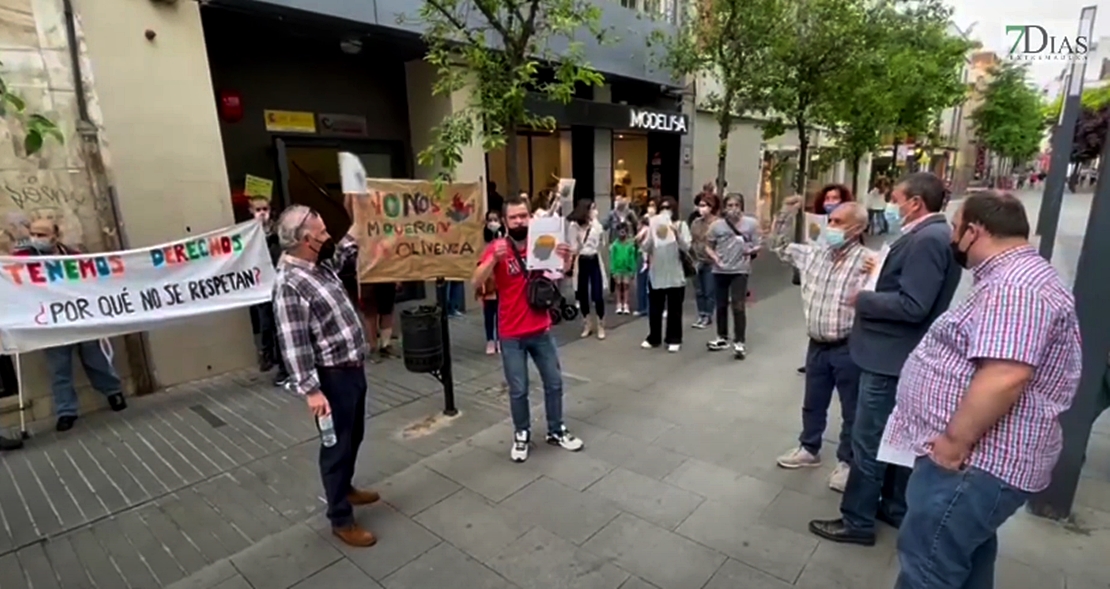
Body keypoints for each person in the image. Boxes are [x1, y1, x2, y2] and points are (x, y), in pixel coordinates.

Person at [887, 191, 1081, 588]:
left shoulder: (1016, 287)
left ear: (974, 232)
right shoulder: (1016, 278)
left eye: (956, 231)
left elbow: (1005, 375)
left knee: (928, 567)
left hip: (972, 463)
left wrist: (953, 445)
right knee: (963, 558)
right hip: (978, 465)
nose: (953, 240)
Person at [809, 171, 962, 546]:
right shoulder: (926, 235)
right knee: (893, 440)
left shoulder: (929, 239)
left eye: (895, 199)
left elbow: (913, 305)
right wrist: (878, 269)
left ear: (915, 203)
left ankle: (857, 520)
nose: (890, 206)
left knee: (869, 441)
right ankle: (892, 507)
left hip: (888, 358)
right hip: (892, 355)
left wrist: (863, 297)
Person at [272, 199, 391, 548]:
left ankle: (347, 488)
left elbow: (342, 256)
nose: (329, 237)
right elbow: (293, 343)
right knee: (336, 446)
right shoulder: (290, 283)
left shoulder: (318, 265)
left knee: (353, 436)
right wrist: (311, 391)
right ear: (306, 240)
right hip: (331, 378)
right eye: (323, 233)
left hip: (352, 369)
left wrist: (361, 219)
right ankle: (340, 518)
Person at [472, 193, 584, 463]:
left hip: (541, 329)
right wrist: (492, 261)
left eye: (523, 215)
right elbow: (475, 281)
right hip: (511, 333)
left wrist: (567, 260)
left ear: (530, 216)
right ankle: (521, 434)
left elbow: (559, 276)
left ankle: (556, 430)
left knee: (554, 383)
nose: (519, 220)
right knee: (518, 389)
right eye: (513, 217)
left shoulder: (542, 242)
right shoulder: (497, 247)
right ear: (505, 220)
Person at [770, 199, 871, 492]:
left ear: (858, 228)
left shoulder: (868, 260)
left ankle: (847, 461)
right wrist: (786, 212)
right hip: (816, 344)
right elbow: (777, 246)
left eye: (839, 222)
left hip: (848, 345)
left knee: (852, 408)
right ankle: (808, 447)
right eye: (831, 220)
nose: (831, 227)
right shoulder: (815, 254)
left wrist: (877, 270)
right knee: (813, 401)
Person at [14, 219, 127, 432]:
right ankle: (66, 412)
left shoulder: (73, 256)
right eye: (34, 234)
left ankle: (113, 392)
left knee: (96, 359)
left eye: (42, 234)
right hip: (50, 322)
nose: (36, 238)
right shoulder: (23, 258)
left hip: (79, 317)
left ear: (55, 237)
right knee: (59, 370)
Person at [705, 193, 760, 359]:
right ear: (725, 208)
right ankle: (722, 337)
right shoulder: (717, 226)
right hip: (720, 270)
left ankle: (739, 341)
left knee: (738, 305)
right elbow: (708, 246)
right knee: (721, 305)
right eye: (730, 205)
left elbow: (758, 244)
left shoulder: (751, 224)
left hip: (740, 269)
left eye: (736, 205)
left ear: (741, 207)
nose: (733, 209)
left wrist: (750, 251)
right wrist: (715, 259)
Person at [640, 196, 691, 352]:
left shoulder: (681, 225)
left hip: (675, 271)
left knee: (674, 308)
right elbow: (646, 248)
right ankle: (654, 337)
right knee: (655, 308)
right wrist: (649, 232)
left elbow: (686, 247)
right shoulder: (654, 226)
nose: (665, 211)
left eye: (668, 208)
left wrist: (677, 234)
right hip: (657, 271)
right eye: (662, 207)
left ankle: (674, 338)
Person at [567, 200, 607, 339]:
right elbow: (573, 247)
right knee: (582, 294)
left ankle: (601, 324)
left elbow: (601, 242)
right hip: (581, 260)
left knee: (597, 294)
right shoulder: (574, 226)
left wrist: (595, 223)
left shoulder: (596, 225)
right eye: (592, 209)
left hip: (594, 259)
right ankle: (587, 324)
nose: (595, 211)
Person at [690, 193, 719, 329]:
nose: (702, 208)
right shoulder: (696, 223)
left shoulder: (717, 223)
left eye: (704, 205)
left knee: (709, 290)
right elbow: (692, 240)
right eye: (700, 205)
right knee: (699, 291)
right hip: (697, 260)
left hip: (710, 261)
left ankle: (708, 315)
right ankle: (701, 314)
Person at [480, 210, 506, 354]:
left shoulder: (504, 239)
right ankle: (490, 339)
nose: (493, 223)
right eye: (490, 220)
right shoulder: (483, 241)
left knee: (501, 312)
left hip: (501, 282)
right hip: (488, 282)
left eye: (495, 220)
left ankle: (501, 339)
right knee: (488, 313)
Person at [609, 222, 637, 314]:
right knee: (618, 286)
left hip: (627, 269)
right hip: (617, 268)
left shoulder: (630, 245)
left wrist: (633, 269)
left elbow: (632, 257)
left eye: (624, 231)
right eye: (620, 231)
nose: (622, 233)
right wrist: (612, 270)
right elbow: (612, 258)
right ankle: (618, 304)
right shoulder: (615, 245)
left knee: (626, 286)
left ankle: (625, 304)